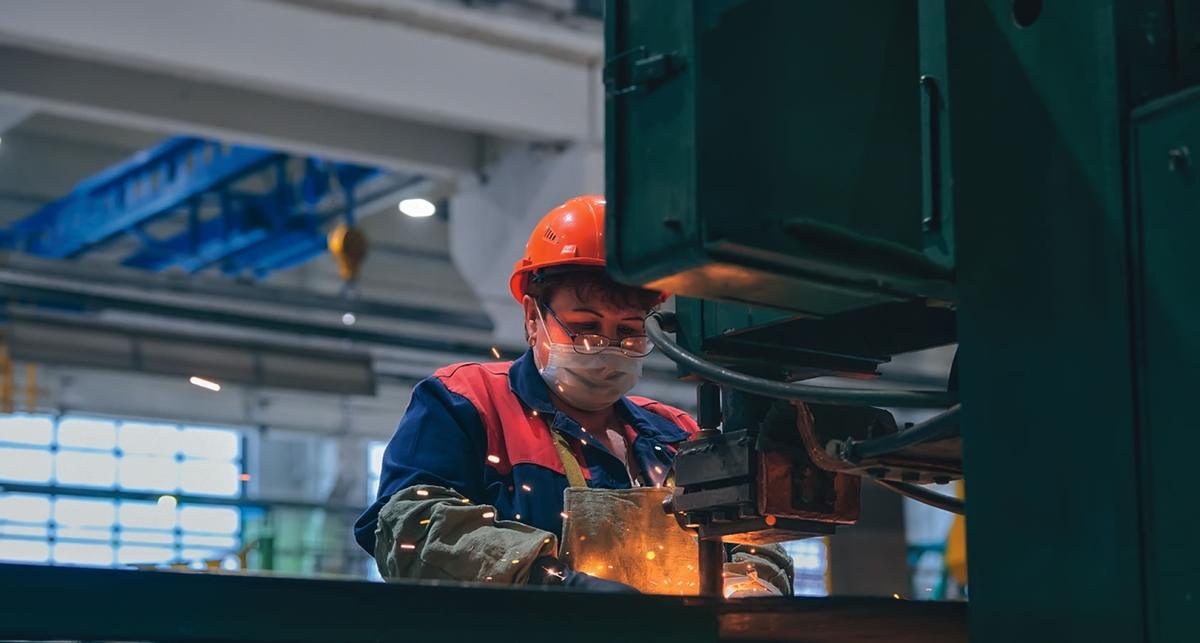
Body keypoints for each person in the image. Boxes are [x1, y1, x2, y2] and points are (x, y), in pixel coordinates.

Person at [355, 195, 793, 594]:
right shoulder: (464, 400)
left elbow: (754, 540)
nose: (606, 348)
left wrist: (751, 589)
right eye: (584, 327)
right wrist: (553, 583)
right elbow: (408, 526)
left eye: (628, 332)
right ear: (532, 316)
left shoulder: (680, 434)